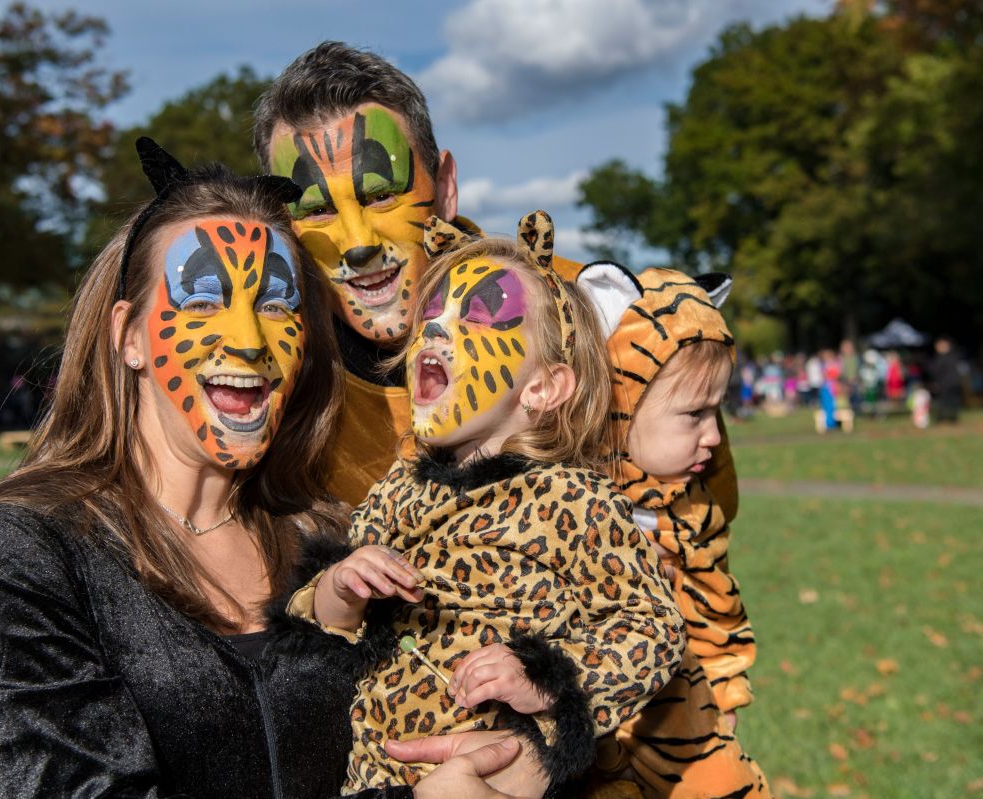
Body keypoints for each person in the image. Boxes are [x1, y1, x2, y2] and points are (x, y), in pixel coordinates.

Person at [0, 140, 534, 799]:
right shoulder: (22, 554)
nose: (247, 338)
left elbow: (431, 712)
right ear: (130, 336)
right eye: (205, 301)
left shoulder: (330, 537)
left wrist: (524, 743)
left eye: (275, 304)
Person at [253, 41, 742, 521]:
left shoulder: (598, 319)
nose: (356, 243)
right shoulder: (279, 376)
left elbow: (703, 521)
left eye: (381, 197)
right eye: (317, 210)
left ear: (444, 189)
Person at [288, 214, 685, 793]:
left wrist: (546, 680)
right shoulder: (395, 491)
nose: (437, 332)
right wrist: (336, 590)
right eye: (432, 315)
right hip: (371, 778)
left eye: (478, 315)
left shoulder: (574, 499)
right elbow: (317, 631)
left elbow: (654, 628)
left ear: (544, 388)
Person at [577, 264, 770, 797]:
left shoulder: (692, 512)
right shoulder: (567, 504)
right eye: (693, 415)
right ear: (621, 401)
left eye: (717, 412)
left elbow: (717, 608)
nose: (714, 435)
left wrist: (725, 696)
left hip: (677, 726)